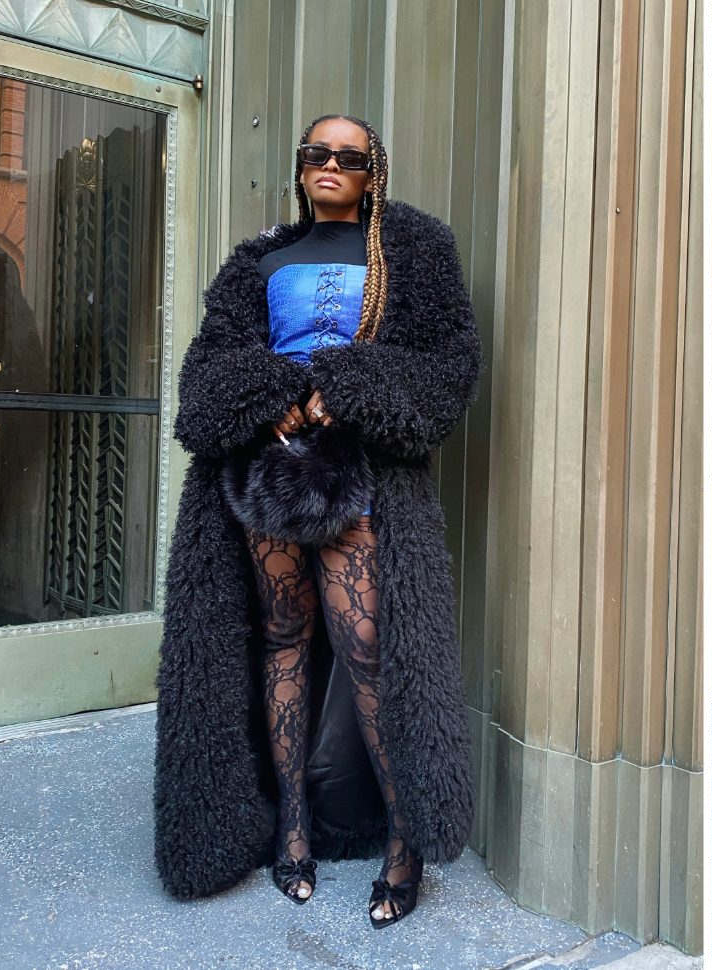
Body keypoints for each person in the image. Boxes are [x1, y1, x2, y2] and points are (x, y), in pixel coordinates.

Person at [152, 114, 480, 929]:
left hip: (359, 471)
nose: (330, 165)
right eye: (316, 154)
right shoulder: (260, 258)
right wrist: (263, 402)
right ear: (300, 167)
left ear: (374, 171)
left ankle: (403, 840)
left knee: (367, 647)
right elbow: (209, 369)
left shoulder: (409, 249)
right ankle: (290, 829)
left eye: (349, 156)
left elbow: (448, 364)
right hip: (269, 474)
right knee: (283, 638)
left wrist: (354, 384)